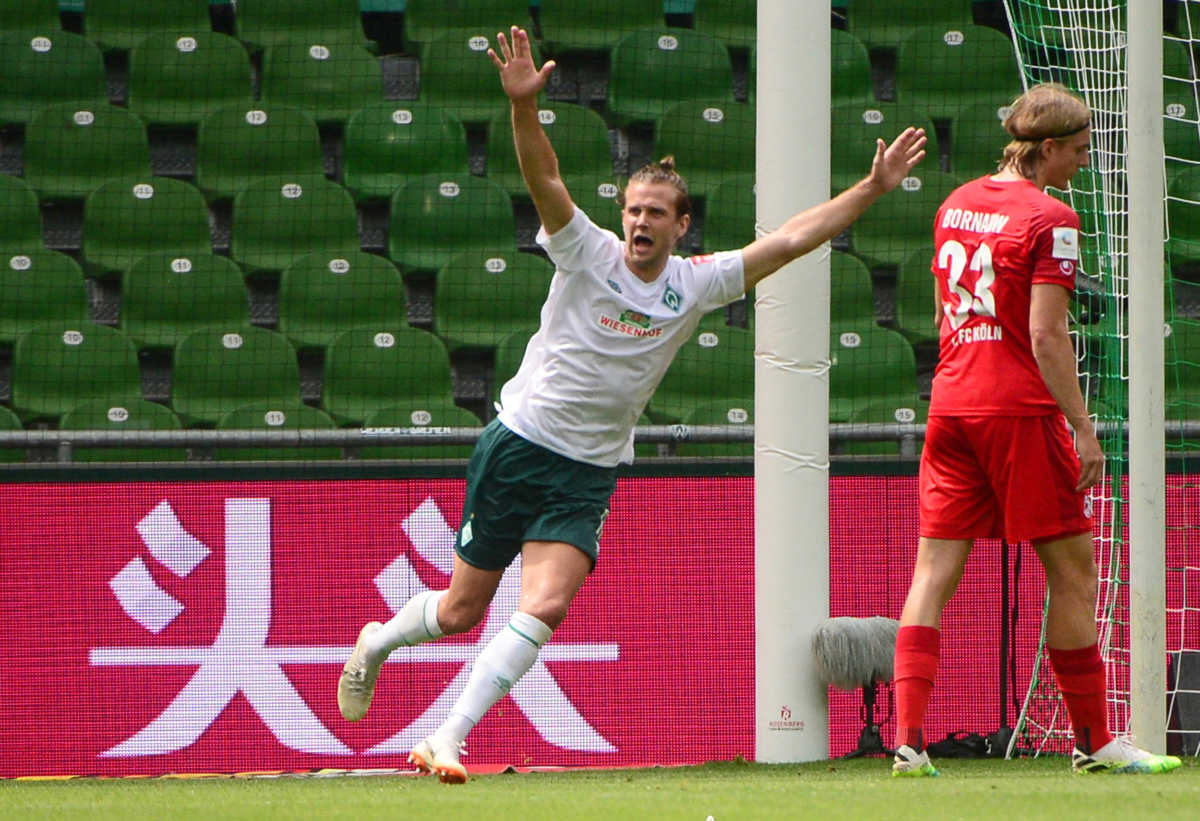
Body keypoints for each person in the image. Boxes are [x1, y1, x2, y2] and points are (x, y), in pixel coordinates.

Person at [338, 25, 926, 784]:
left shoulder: (696, 282)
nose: (642, 222)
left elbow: (791, 239)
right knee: (459, 613)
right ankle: (377, 642)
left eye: (658, 213)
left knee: (546, 606)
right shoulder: (586, 252)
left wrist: (873, 189)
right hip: (519, 444)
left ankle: (446, 736)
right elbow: (546, 181)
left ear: (682, 226)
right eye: (634, 210)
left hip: (588, 469)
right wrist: (525, 110)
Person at [890, 82, 1181, 778]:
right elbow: (1047, 335)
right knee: (1074, 573)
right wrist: (1083, 429)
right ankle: (1094, 740)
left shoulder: (955, 202)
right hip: (1018, 411)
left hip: (952, 403)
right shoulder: (1052, 216)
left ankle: (908, 742)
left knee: (932, 572)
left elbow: (941, 310)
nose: (1084, 162)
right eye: (1079, 150)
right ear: (1047, 148)